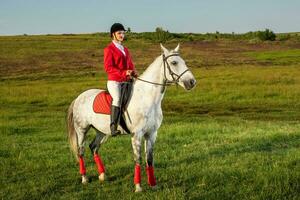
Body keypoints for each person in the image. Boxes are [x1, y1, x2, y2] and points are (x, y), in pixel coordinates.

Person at [103, 23, 137, 136]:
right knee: (117, 98)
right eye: (119, 33)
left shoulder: (125, 49)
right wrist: (123, 73)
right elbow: (108, 68)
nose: (122, 35)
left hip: (127, 80)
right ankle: (113, 127)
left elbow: (130, 64)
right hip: (115, 81)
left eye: (123, 33)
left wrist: (134, 72)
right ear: (113, 34)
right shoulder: (109, 49)